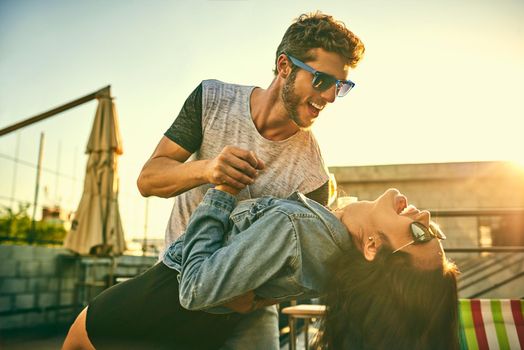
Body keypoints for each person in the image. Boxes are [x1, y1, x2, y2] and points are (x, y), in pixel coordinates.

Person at [136, 12, 365, 348]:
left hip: (247, 314)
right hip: (174, 281)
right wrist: (208, 169)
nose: (330, 97)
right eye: (321, 80)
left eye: (339, 86)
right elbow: (148, 180)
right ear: (285, 66)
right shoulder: (212, 101)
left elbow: (302, 266)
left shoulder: (313, 173)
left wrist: (256, 301)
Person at [62, 187, 459, 349]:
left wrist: (219, 197)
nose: (424, 215)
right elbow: (244, 298)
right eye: (434, 231)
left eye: (420, 234)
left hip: (136, 312)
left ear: (373, 247)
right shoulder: (333, 269)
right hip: (187, 334)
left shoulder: (297, 229)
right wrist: (246, 301)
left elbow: (194, 289)